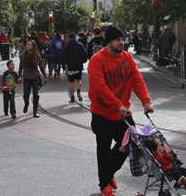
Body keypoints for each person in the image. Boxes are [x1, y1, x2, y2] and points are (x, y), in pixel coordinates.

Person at [88, 25, 154, 196]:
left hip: (122, 114)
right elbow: (100, 87)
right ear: (109, 42)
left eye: (122, 39)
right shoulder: (97, 60)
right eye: (118, 40)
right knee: (103, 150)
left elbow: (137, 80)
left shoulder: (127, 58)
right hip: (102, 113)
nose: (121, 42)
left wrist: (146, 101)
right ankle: (104, 186)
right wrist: (118, 105)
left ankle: (109, 174)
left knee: (131, 143)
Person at [18, 40, 48, 118]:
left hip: (35, 77)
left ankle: (35, 111)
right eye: (27, 44)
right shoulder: (22, 56)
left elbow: (41, 67)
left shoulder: (37, 56)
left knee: (35, 94)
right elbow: (21, 67)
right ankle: (26, 104)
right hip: (27, 77)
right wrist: (18, 76)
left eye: (29, 45)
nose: (27, 46)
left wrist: (45, 76)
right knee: (26, 94)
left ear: (33, 46)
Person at [62, 33, 88, 103]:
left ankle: (72, 98)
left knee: (71, 82)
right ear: (75, 38)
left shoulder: (67, 47)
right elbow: (85, 55)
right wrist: (82, 61)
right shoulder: (80, 45)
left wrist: (64, 67)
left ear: (69, 38)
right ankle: (78, 92)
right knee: (79, 80)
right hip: (79, 66)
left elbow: (63, 57)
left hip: (70, 67)